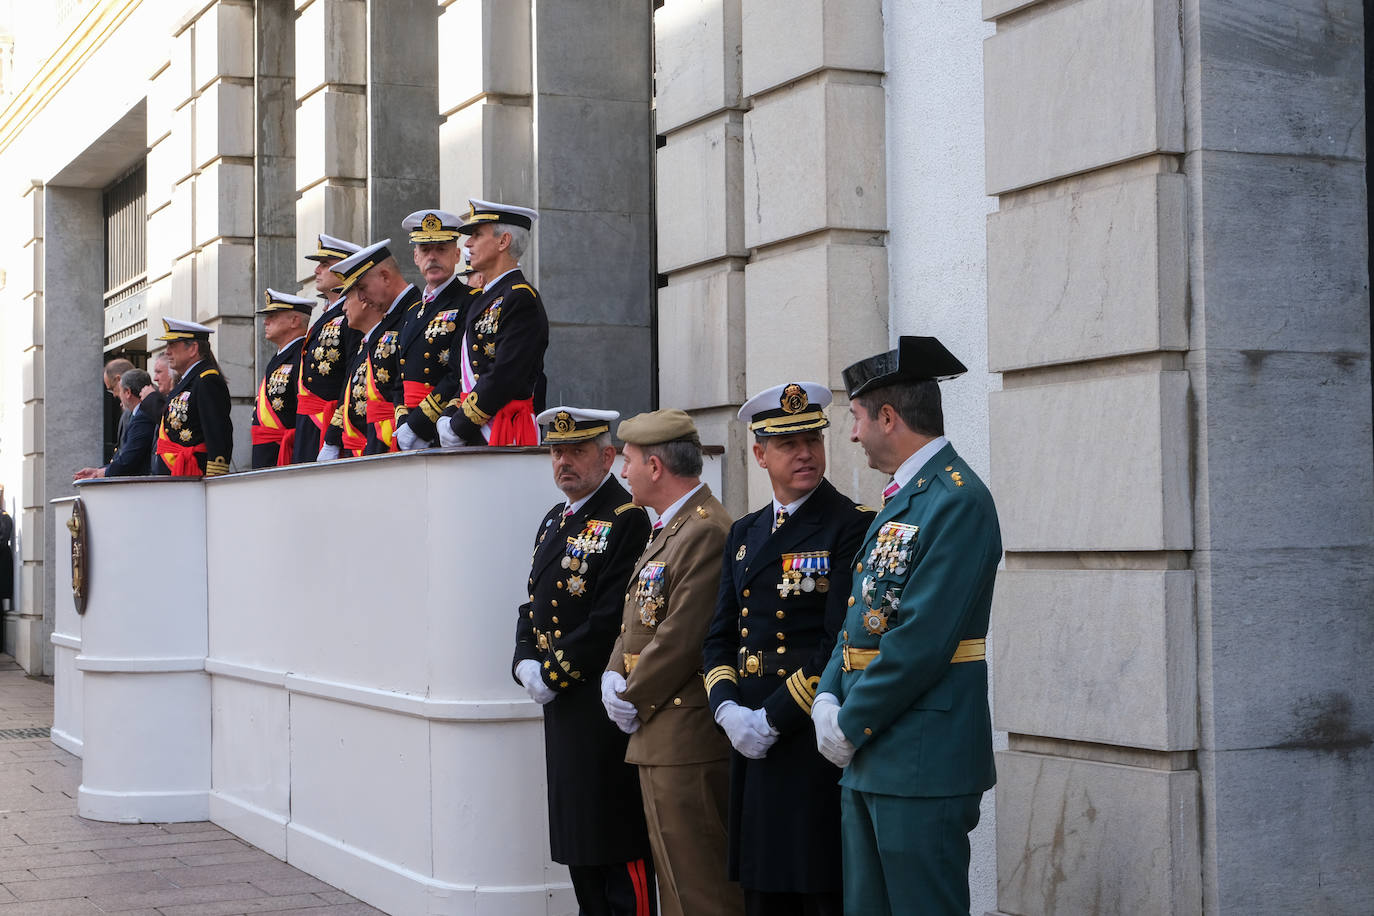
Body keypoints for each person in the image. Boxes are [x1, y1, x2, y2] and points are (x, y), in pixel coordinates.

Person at [811, 336, 1002, 916]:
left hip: (922, 757)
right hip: (876, 754)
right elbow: (862, 617)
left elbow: (921, 639)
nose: (851, 434)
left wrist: (850, 720)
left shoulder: (956, 501)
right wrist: (825, 693)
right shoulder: (907, 498)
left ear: (888, 418)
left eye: (856, 418)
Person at [702, 381, 873, 916]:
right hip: (749, 737)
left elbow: (836, 640)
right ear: (759, 454)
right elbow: (719, 635)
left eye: (812, 440)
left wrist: (772, 720)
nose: (805, 454)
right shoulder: (745, 532)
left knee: (815, 888)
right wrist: (728, 710)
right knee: (764, 894)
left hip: (802, 735)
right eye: (787, 443)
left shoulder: (849, 524)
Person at [513, 407, 657, 916]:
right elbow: (533, 604)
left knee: (617, 843)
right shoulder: (555, 519)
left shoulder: (627, 519)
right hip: (563, 709)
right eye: (557, 451)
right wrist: (523, 662)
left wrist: (551, 673)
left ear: (608, 456)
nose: (564, 462)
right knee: (579, 842)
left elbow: (609, 618)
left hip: (602, 705)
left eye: (577, 451)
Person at [604, 409, 744, 916]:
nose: (624, 472)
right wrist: (612, 672)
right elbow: (639, 617)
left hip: (686, 735)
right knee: (677, 884)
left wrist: (630, 693)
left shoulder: (705, 531)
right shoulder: (672, 526)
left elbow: (683, 635)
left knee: (701, 887)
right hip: (660, 733)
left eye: (629, 460)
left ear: (656, 467)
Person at [408, 199, 548, 448]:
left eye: (476, 235)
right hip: (475, 429)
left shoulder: (520, 297)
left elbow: (505, 375)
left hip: (502, 430)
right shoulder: (484, 299)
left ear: (503, 242)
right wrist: (450, 416)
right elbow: (463, 373)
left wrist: (460, 424)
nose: (468, 243)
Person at [320, 239, 419, 456]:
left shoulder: (413, 313)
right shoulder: (387, 320)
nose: (361, 298)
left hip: (396, 437)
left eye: (361, 288)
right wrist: (333, 438)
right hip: (371, 439)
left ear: (385, 277)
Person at [392, 209, 481, 450]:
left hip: (444, 424)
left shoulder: (470, 301)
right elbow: (399, 374)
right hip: (408, 427)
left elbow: (458, 374)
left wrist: (419, 424)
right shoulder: (412, 311)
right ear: (415, 257)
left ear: (456, 255)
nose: (432, 257)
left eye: (441, 249)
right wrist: (403, 422)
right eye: (425, 250)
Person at [294, 233, 363, 463]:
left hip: (328, 421)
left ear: (345, 269)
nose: (316, 271)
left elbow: (351, 373)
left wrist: (335, 432)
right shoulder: (329, 314)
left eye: (325, 264)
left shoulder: (351, 314)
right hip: (311, 421)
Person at [151, 319, 234, 477]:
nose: (167, 351)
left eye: (173, 345)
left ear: (193, 349)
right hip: (177, 472)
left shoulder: (207, 380)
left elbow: (217, 433)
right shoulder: (188, 380)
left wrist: (214, 476)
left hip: (192, 472)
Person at [250, 289, 313, 469]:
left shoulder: (301, 356)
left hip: (285, 453)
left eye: (273, 316)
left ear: (294, 321)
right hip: (268, 452)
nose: (265, 321)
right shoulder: (280, 357)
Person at [74, 369, 163, 479]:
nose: (117, 396)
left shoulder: (143, 417)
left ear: (127, 393)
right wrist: (99, 470)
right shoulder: (138, 415)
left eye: (119, 390)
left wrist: (99, 473)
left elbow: (129, 459)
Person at [102, 357, 134, 464]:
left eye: (112, 389)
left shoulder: (146, 405)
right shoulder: (128, 411)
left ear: (119, 380)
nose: (115, 395)